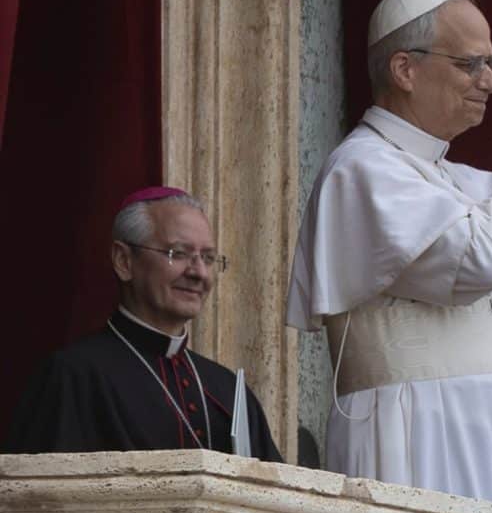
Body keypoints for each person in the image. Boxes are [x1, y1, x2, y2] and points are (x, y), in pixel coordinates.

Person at [287, 0, 492, 505]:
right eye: (471, 64)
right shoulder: (364, 168)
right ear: (404, 69)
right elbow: (480, 258)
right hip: (415, 433)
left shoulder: (463, 181)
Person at [4, 187, 283, 461]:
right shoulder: (74, 377)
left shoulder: (229, 390)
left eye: (208, 258)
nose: (199, 273)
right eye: (178, 253)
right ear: (124, 261)